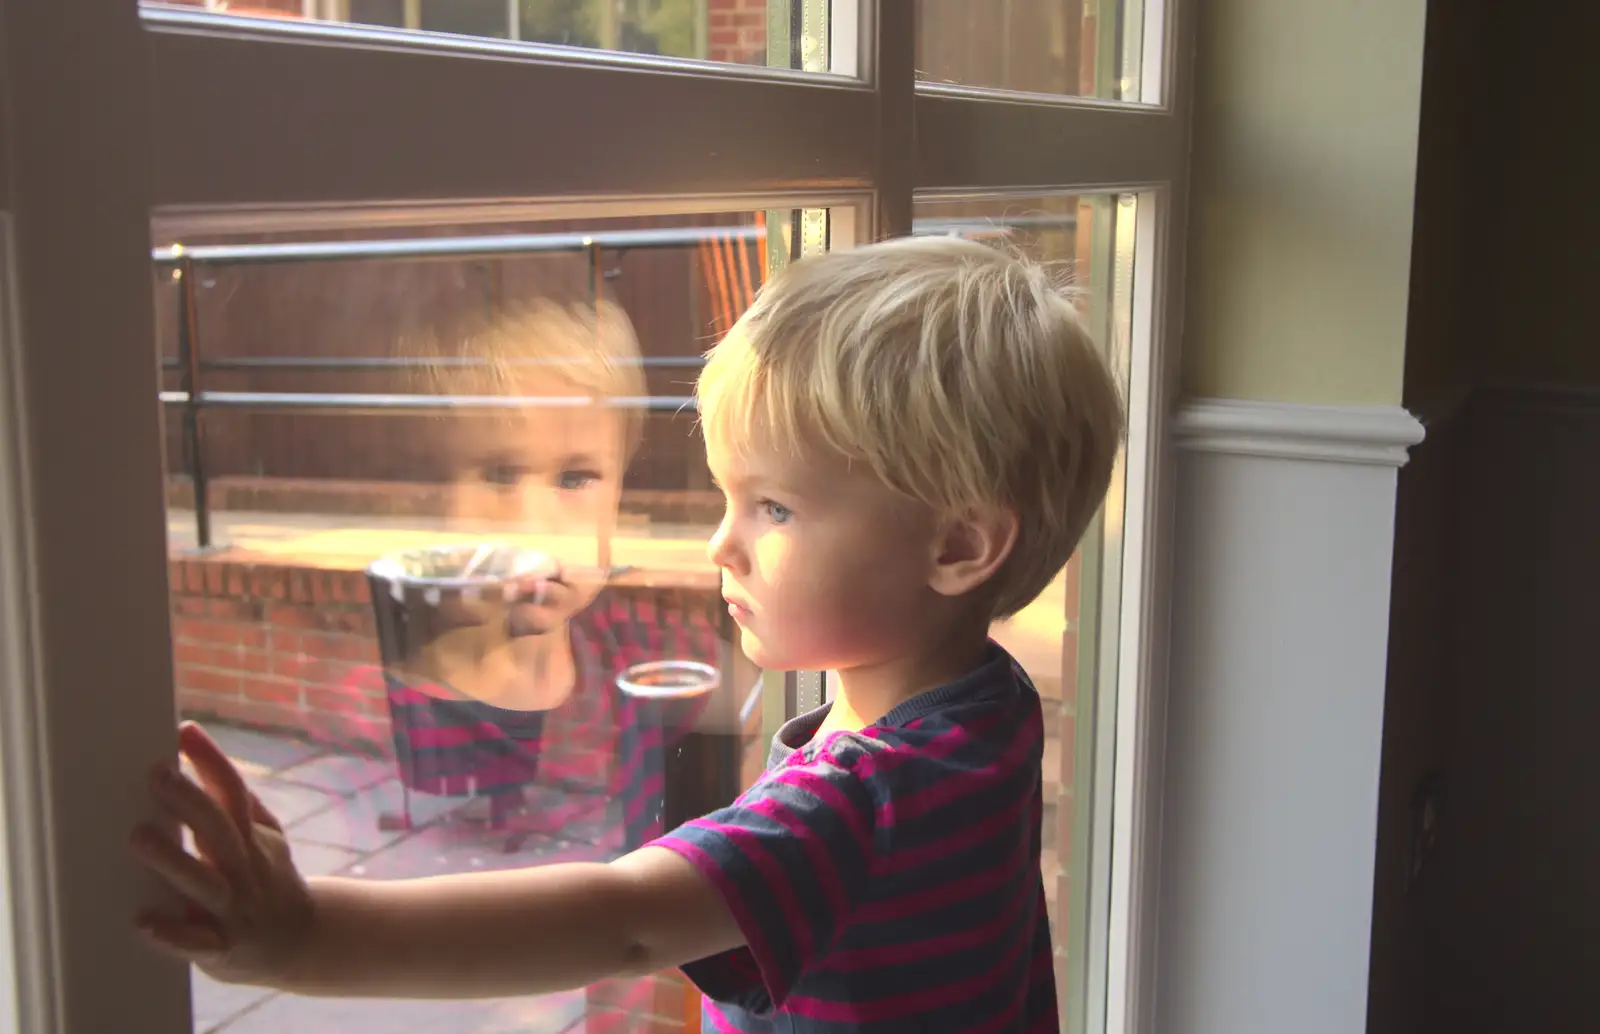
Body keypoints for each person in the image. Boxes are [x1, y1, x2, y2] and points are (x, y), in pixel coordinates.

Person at [130, 235, 1125, 1032]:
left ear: (956, 545)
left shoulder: (862, 803)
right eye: (727, 497)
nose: (720, 542)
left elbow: (625, 922)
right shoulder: (987, 706)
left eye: (773, 507)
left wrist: (306, 934)